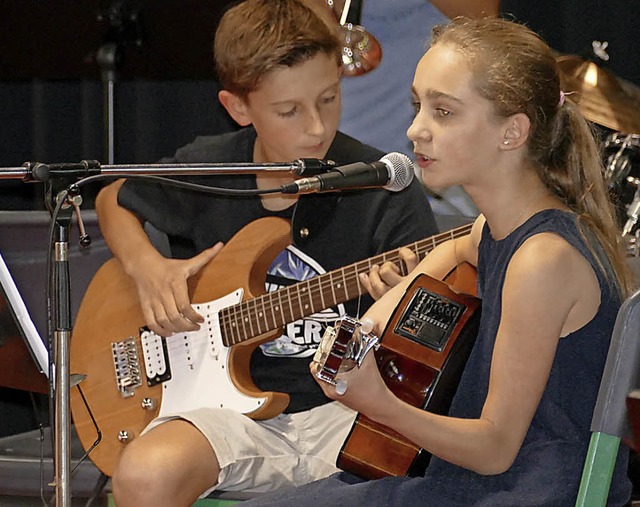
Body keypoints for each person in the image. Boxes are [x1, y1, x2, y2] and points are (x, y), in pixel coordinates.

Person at [241, 16, 637, 506]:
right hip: (466, 482)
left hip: (518, 492)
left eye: (443, 112)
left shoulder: (543, 260)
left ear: (512, 132)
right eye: (417, 106)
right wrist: (382, 312)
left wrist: (380, 404)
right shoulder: (497, 227)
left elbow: (494, 448)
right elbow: (454, 248)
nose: (415, 130)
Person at [94, 0, 438, 505]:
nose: (317, 127)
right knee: (144, 476)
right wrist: (147, 268)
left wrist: (400, 302)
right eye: (289, 111)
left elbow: (433, 325)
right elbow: (111, 197)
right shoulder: (214, 168)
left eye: (328, 99)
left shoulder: (382, 184)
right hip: (226, 417)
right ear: (237, 107)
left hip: (350, 415)